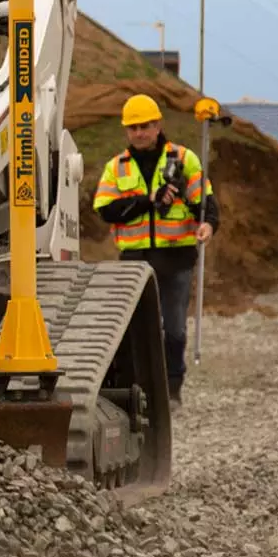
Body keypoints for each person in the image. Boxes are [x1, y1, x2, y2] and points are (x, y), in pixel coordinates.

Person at [92, 93, 220, 408]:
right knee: (135, 330)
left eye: (145, 126)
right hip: (134, 262)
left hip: (176, 258)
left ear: (157, 125)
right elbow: (105, 209)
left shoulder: (184, 159)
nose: (139, 132)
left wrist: (209, 225)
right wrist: (148, 200)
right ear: (126, 131)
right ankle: (138, 391)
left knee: (174, 328)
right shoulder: (116, 167)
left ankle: (173, 389)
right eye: (133, 127)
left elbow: (205, 203)